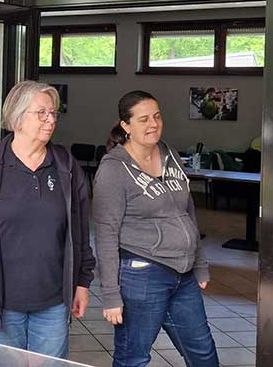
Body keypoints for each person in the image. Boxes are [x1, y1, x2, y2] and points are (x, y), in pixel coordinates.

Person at [0, 80, 95, 359]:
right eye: (41, 113)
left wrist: (82, 282)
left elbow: (79, 233)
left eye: (53, 113)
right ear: (17, 117)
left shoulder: (66, 167)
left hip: (54, 300)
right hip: (2, 301)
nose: (50, 120)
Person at [93, 90, 218, 367]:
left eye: (157, 116)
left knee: (203, 354)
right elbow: (106, 233)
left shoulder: (169, 152)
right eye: (143, 119)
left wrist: (200, 263)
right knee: (133, 359)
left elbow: (187, 211)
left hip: (183, 276)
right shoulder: (113, 169)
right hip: (141, 276)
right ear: (125, 126)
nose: (153, 124)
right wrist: (111, 294)